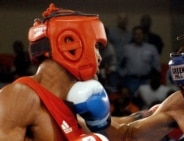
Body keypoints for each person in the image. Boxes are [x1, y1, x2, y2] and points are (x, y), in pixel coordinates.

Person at [0, 3, 109, 141]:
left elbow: (128, 132)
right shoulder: (20, 97)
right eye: (96, 47)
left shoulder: (74, 107)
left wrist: (145, 119)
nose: (99, 57)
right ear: (69, 43)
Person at [118, 25, 161, 95]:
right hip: (130, 81)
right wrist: (122, 74)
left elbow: (157, 67)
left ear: (144, 35)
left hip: (146, 81)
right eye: (136, 34)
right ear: (133, 35)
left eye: (140, 33)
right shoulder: (127, 49)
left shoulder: (151, 48)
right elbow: (119, 64)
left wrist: (153, 79)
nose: (138, 36)